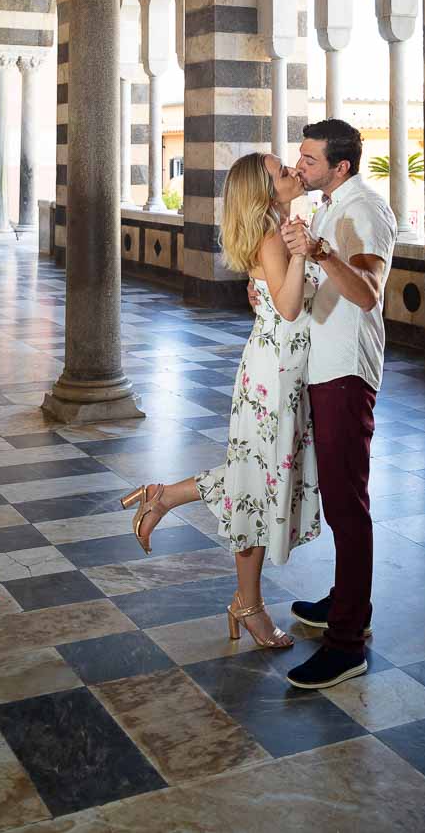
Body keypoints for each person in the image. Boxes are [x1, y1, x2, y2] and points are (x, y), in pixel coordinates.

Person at [121, 152, 321, 650]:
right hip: (274, 376)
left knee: (255, 477)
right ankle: (247, 606)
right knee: (256, 485)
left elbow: (279, 298)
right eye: (281, 173)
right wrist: (300, 255)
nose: (292, 173)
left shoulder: (277, 227)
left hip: (276, 370)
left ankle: (164, 496)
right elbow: (291, 307)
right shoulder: (275, 236)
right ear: (264, 191)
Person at [278, 118, 396, 690]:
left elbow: (368, 293)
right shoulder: (330, 203)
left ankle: (347, 642)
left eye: (309, 159)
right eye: (300, 156)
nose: (299, 165)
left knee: (348, 505)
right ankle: (349, 602)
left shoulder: (365, 210)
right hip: (324, 367)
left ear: (340, 167)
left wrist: (322, 251)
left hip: (348, 371)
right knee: (336, 496)